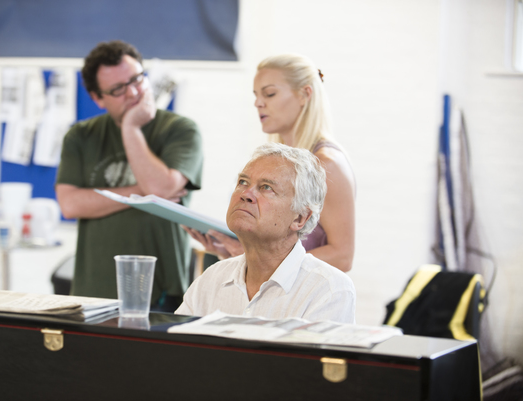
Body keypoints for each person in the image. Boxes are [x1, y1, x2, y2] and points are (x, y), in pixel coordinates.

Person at [55, 40, 203, 311]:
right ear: (98, 98)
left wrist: (131, 129)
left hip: (161, 292)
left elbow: (160, 186)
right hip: (93, 289)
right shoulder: (81, 136)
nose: (134, 92)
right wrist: (146, 193)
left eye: (137, 79)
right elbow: (70, 204)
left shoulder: (180, 130)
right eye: (118, 89)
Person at [185, 54, 355, 272]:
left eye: (270, 93)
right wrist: (239, 254)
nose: (258, 102)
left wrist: (256, 259)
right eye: (256, 95)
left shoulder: (327, 164)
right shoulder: (279, 161)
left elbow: (342, 257)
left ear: (304, 94)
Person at [176, 143, 355, 323]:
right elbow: (174, 347)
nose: (245, 193)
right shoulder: (211, 279)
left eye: (266, 187)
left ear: (300, 218)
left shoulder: (329, 290)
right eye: (243, 182)